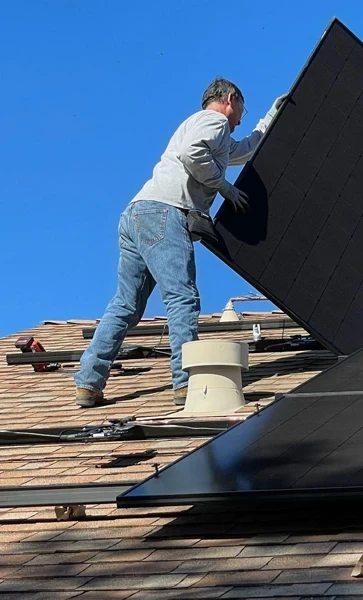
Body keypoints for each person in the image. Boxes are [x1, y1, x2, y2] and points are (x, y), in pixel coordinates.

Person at [74, 78, 287, 408]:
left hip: (137, 214)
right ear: (231, 99)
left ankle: (88, 382)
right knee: (182, 297)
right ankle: (186, 384)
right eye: (243, 108)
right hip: (164, 213)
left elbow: (244, 150)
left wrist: (272, 115)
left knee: (125, 305)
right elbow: (192, 154)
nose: (243, 115)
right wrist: (224, 188)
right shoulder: (213, 121)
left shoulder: (205, 129)